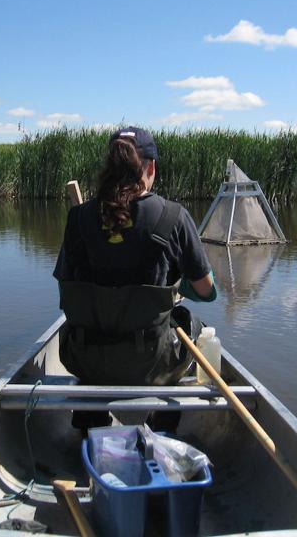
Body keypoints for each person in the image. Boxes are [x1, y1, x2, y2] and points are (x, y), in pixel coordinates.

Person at [53, 126, 216, 431]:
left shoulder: (78, 218)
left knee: (82, 326)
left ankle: (91, 424)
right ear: (151, 167)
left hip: (86, 358)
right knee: (192, 325)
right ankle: (164, 424)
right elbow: (207, 291)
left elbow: (67, 288)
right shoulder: (173, 217)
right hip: (150, 362)